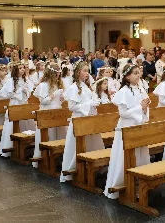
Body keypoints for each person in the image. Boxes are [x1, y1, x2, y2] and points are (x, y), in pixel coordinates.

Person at [104, 64, 150, 199]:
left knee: (140, 154)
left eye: (138, 73)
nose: (138, 75)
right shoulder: (123, 91)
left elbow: (145, 107)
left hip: (138, 125)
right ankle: (123, 183)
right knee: (126, 156)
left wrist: (145, 109)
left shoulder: (141, 89)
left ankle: (139, 182)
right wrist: (139, 107)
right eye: (135, 73)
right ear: (127, 77)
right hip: (127, 127)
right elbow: (123, 114)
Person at [60, 61, 105, 182]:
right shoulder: (73, 88)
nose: (86, 73)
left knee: (91, 143)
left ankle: (91, 167)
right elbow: (72, 107)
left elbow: (89, 100)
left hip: (88, 119)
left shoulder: (86, 86)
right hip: (79, 120)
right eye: (84, 70)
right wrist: (89, 104)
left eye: (87, 71)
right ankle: (75, 168)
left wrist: (94, 102)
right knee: (78, 145)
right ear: (78, 72)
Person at [32, 64, 66, 168]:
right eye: (57, 73)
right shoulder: (43, 85)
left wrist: (62, 98)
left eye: (59, 73)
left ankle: (57, 157)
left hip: (57, 112)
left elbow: (58, 100)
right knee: (49, 135)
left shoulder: (57, 84)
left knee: (59, 134)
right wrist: (54, 94)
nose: (58, 76)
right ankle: (46, 158)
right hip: (47, 113)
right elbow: (44, 101)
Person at [0, 62, 35, 157]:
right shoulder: (11, 81)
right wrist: (19, 91)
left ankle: (27, 146)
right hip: (15, 103)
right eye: (20, 68)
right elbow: (6, 94)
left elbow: (30, 92)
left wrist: (26, 91)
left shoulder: (26, 79)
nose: (23, 69)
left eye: (23, 68)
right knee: (13, 124)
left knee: (26, 122)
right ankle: (11, 147)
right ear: (16, 70)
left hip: (24, 103)